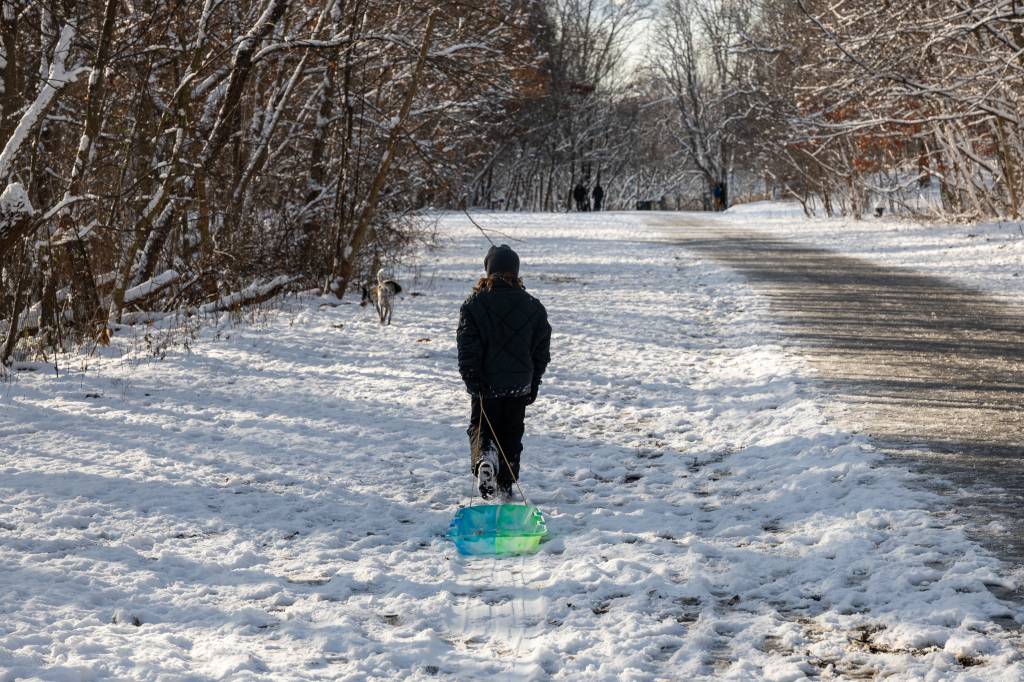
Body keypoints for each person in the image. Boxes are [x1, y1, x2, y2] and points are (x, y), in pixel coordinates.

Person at [456, 245, 551, 501]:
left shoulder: (474, 304)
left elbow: (467, 347)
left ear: (489, 271)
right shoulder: (533, 306)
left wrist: (472, 378)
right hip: (519, 385)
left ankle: (485, 460)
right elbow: (542, 350)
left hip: (486, 385)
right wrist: (534, 381)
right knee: (511, 434)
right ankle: (505, 485)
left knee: (482, 427)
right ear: (516, 272)